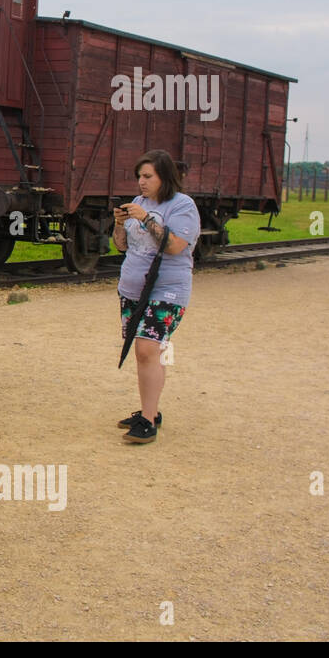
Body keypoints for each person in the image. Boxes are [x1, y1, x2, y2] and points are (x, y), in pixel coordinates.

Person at [112, 149, 200, 444]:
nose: (141, 182)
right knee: (146, 352)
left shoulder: (182, 205)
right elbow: (121, 247)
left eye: (148, 176)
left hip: (167, 290)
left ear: (165, 177)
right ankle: (151, 410)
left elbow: (175, 246)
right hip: (133, 288)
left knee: (147, 350)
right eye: (139, 176)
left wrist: (148, 219)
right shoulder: (138, 203)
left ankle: (147, 422)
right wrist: (119, 223)